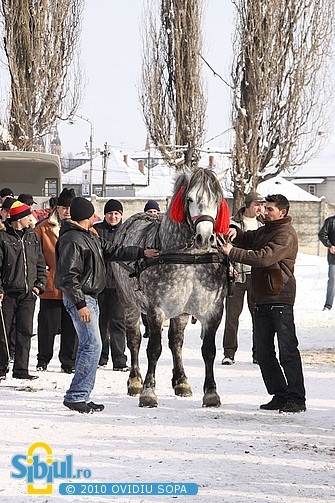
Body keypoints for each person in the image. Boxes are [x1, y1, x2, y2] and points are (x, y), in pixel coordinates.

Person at [55, 196, 159, 413]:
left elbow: (113, 250)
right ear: (87, 216)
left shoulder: (88, 236)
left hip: (89, 298)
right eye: (93, 214)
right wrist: (81, 304)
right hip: (81, 299)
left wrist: (141, 252)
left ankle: (81, 394)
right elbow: (68, 277)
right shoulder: (73, 240)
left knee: (92, 346)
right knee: (92, 346)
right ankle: (76, 396)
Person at [220, 194, 306, 413]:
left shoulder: (285, 234)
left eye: (269, 209)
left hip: (279, 298)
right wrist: (235, 232)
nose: (265, 212)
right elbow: (248, 238)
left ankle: (296, 398)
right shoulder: (265, 230)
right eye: (265, 208)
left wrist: (234, 252)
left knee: (287, 351)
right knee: (265, 352)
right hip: (261, 299)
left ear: (282, 212)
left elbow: (264, 257)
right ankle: (279, 394)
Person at [0, 201, 46, 380]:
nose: (32, 218)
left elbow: (40, 263)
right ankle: (2, 368)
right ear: (19, 218)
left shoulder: (32, 236)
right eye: (28, 215)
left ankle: (21, 369)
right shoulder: (3, 238)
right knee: (3, 332)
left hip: (28, 293)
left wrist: (39, 285)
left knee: (25, 331)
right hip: (8, 293)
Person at [34, 188, 77, 373]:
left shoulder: (82, 227)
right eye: (63, 207)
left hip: (73, 286)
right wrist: (43, 273)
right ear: (57, 208)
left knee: (70, 327)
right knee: (47, 326)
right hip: (51, 283)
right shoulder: (43, 228)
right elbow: (35, 253)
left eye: (70, 207)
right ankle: (43, 359)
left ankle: (68, 361)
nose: (67, 211)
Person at [222, 191, 265, 365]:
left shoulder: (263, 225)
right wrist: (229, 268)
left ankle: (258, 353)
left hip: (256, 277)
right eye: (257, 204)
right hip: (237, 277)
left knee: (259, 318)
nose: (260, 208)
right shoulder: (232, 224)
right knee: (232, 317)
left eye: (262, 205)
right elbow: (223, 250)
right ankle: (229, 353)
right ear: (248, 205)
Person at [93, 199, 128, 371]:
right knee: (100, 322)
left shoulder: (126, 231)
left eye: (116, 214)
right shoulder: (96, 230)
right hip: (99, 284)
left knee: (118, 323)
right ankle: (101, 356)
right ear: (105, 214)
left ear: (121, 214)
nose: (113, 217)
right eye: (110, 214)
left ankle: (119, 359)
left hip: (119, 285)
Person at [142, 200, 161, 338]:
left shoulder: (161, 229)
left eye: (155, 212)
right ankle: (147, 326)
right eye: (150, 212)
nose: (153, 215)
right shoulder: (141, 229)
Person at [318, 214, 335, 311]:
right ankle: (328, 305)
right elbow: (322, 234)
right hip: (334, 258)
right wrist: (330, 246)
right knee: (332, 281)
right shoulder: (330, 221)